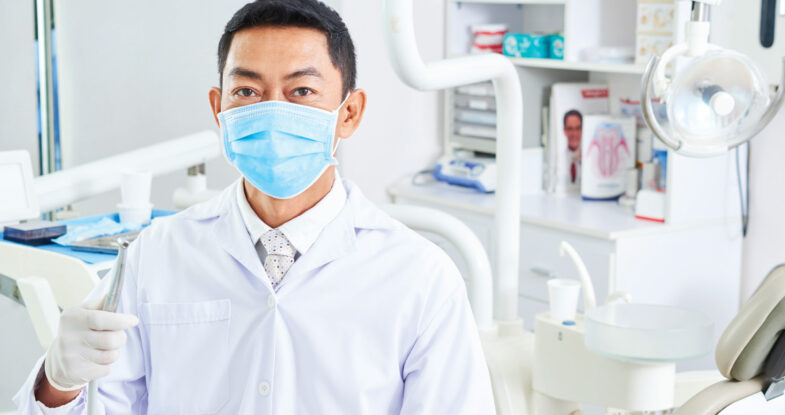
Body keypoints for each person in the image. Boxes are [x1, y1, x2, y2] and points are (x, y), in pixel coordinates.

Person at [13, 0, 495, 413]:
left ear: (348, 113)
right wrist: (59, 382)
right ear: (219, 108)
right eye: (247, 91)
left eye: (301, 91)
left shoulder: (419, 278)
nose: (271, 109)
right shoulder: (155, 256)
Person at [563, 109, 583, 184]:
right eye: (570, 129)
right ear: (564, 130)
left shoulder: (589, 159)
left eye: (578, 128)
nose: (574, 133)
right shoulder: (558, 158)